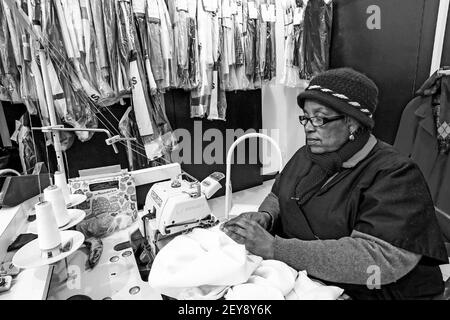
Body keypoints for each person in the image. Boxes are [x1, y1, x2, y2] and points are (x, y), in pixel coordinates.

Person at [221, 68, 448, 300]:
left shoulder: (395, 174)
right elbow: (279, 194)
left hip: (375, 290)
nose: (309, 127)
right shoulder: (306, 155)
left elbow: (379, 260)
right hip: (309, 278)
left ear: (352, 123)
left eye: (319, 118)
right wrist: (266, 216)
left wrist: (275, 248)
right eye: (306, 117)